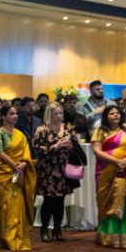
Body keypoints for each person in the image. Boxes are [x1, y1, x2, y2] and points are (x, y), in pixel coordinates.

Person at [93, 106, 126, 248]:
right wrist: (116, 161)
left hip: (124, 171)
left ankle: (125, 235)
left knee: (124, 199)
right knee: (107, 200)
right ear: (106, 116)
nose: (116, 115)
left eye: (117, 113)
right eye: (112, 113)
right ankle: (107, 235)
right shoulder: (100, 131)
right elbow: (97, 151)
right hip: (105, 170)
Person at [0, 103, 37, 250]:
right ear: (3, 117)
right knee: (5, 206)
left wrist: (23, 164)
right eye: (11, 114)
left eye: (16, 113)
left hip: (18, 173)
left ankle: (18, 236)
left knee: (18, 205)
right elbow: (0, 153)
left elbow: (26, 154)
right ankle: (6, 238)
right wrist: (15, 166)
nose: (15, 116)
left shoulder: (20, 134)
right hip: (4, 173)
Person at [33, 101, 75, 243]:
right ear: (49, 115)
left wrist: (70, 147)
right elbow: (37, 149)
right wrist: (55, 146)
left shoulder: (68, 128)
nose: (59, 116)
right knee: (49, 200)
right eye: (55, 113)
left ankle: (57, 229)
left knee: (60, 200)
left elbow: (76, 149)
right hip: (48, 170)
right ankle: (44, 229)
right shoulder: (42, 129)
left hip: (64, 169)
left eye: (60, 113)